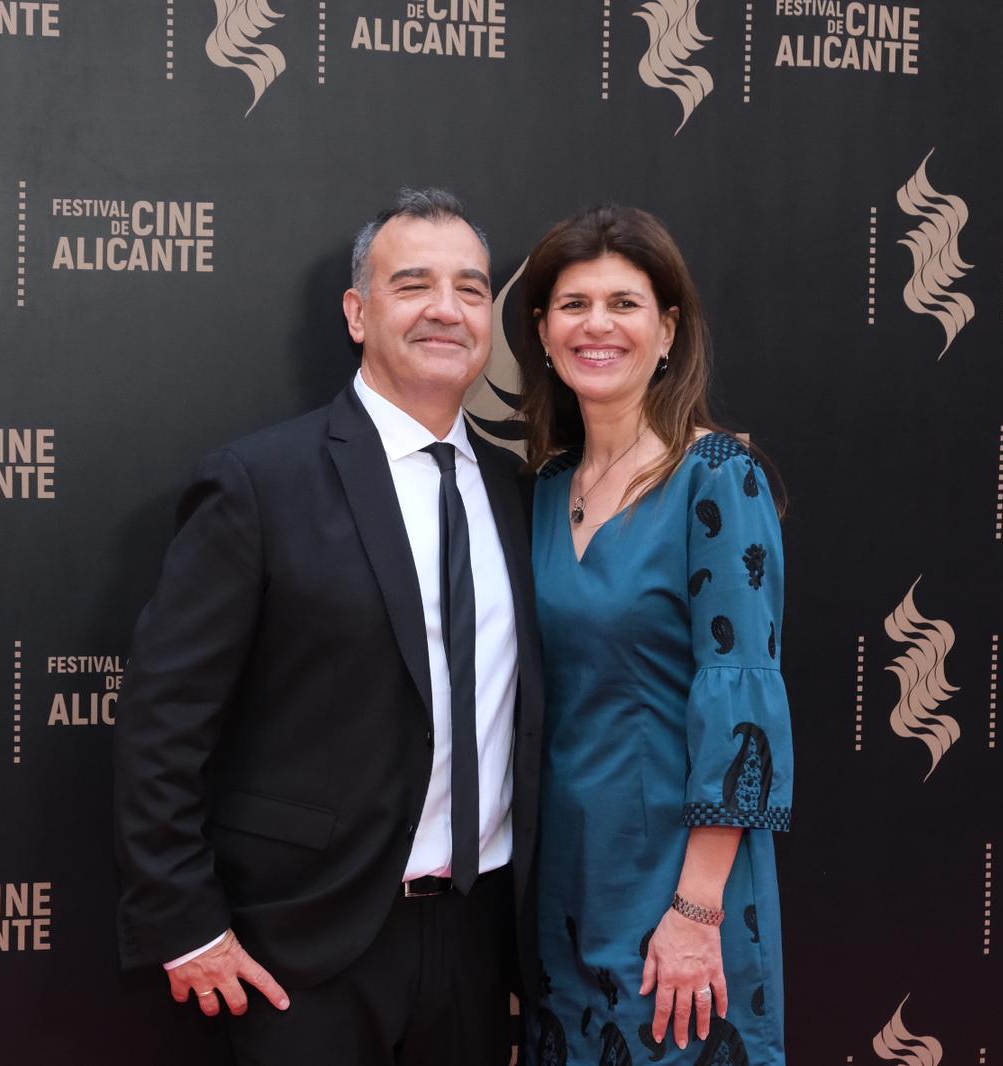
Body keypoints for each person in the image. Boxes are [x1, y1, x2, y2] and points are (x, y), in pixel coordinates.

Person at [113, 188, 543, 1065]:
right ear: (357, 312)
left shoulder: (518, 492)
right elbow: (163, 724)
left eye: (470, 288)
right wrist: (186, 924)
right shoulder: (258, 483)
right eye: (412, 284)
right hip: (302, 946)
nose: (445, 309)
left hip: (480, 937)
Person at [516, 204, 792, 1066]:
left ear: (668, 331)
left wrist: (697, 910)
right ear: (542, 333)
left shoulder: (716, 478)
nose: (597, 325)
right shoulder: (542, 489)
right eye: (573, 304)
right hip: (563, 876)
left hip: (677, 878)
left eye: (624, 303)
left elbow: (743, 703)